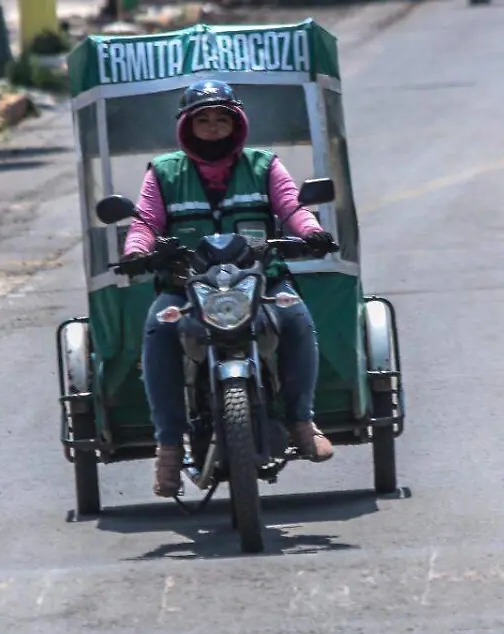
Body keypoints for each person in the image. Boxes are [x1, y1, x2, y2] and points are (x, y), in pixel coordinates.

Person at [118, 79, 340, 498]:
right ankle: (168, 446)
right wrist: (137, 252)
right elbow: (144, 222)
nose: (214, 126)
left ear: (237, 123)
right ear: (187, 126)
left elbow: (292, 206)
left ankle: (301, 421)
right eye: (204, 120)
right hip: (186, 287)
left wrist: (311, 232)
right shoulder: (164, 172)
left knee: (295, 318)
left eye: (223, 118)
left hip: (261, 280)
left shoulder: (264, 165)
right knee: (159, 332)